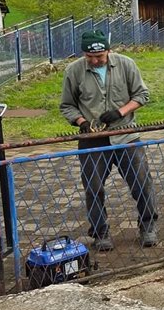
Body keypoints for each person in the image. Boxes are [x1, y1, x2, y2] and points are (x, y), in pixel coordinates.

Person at [59, 30, 158, 250]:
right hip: (92, 140)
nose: (95, 61)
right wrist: (81, 122)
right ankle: (100, 232)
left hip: (126, 136)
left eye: (99, 56)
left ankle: (148, 225)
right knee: (93, 188)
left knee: (142, 183)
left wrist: (120, 112)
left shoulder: (126, 64)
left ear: (109, 51)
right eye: (90, 57)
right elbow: (67, 105)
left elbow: (142, 95)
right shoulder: (73, 71)